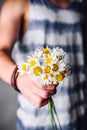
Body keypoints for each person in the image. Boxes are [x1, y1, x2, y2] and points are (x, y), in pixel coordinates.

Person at [0, 0, 87, 130]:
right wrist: (17, 77)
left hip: (80, 114)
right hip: (36, 121)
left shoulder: (81, 4)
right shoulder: (17, 3)